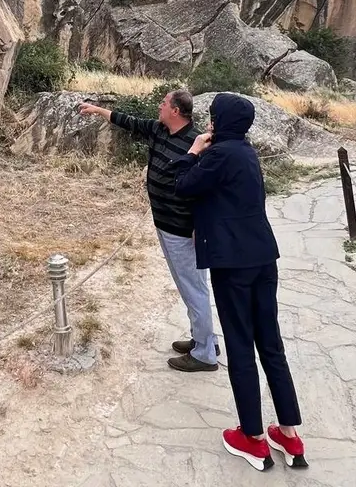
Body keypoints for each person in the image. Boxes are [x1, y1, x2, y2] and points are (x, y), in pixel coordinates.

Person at [173, 92, 307, 472]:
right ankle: (289, 434)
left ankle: (253, 438)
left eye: (213, 117)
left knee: (240, 346)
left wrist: (193, 151)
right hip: (263, 258)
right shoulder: (246, 152)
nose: (209, 122)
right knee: (271, 345)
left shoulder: (219, 154)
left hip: (233, 265)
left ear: (221, 121)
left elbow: (182, 185)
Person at [79, 89, 219, 372]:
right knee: (191, 287)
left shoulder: (197, 145)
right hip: (164, 224)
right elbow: (128, 121)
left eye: (163, 103)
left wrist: (200, 227)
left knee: (194, 289)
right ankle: (204, 339)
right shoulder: (158, 129)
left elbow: (205, 191)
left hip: (183, 231)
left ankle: (205, 354)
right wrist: (98, 110)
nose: (159, 106)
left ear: (175, 111)